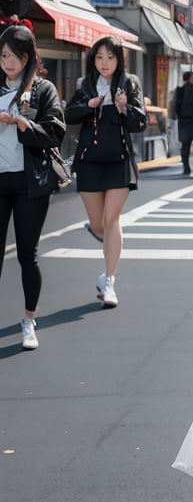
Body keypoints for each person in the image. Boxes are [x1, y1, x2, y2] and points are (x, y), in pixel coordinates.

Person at [65, 36, 146, 309]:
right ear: (93, 59)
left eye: (110, 57)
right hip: (89, 161)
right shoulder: (85, 84)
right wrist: (87, 106)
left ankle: (109, 281)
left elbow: (140, 123)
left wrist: (124, 108)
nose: (104, 63)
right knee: (99, 224)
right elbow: (69, 114)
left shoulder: (129, 83)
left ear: (119, 59)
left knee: (112, 221)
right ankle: (103, 250)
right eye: (99, 57)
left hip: (119, 160)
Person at [0, 22, 65, 350]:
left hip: (30, 183)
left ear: (26, 58)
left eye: (13, 56)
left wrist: (22, 123)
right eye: (3, 55)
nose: (7, 62)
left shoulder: (42, 90)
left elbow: (55, 133)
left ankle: (29, 320)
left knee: (28, 254)